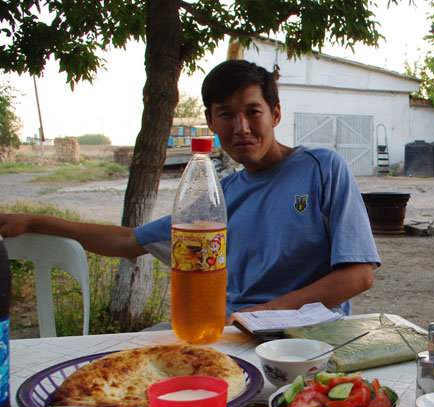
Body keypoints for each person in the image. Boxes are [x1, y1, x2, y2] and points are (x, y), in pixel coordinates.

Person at [0, 60, 380, 318]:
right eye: (227, 115)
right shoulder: (218, 197)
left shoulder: (322, 168)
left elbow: (359, 275)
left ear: (275, 114)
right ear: (211, 121)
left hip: (308, 341)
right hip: (231, 335)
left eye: (253, 111)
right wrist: (35, 221)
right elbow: (129, 242)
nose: (242, 128)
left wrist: (261, 315)